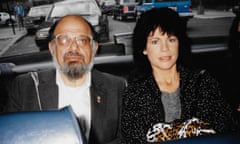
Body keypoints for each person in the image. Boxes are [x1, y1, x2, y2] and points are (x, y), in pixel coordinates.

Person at [120, 8, 238, 143]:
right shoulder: (134, 94)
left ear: (179, 43)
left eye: (171, 39)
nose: (165, 48)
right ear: (144, 48)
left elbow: (227, 132)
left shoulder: (203, 83)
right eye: (155, 41)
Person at [6, 15, 126, 144]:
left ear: (94, 48)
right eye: (63, 40)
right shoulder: (26, 87)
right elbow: (9, 136)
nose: (73, 48)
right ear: (52, 48)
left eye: (82, 40)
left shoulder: (117, 88)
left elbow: (126, 138)